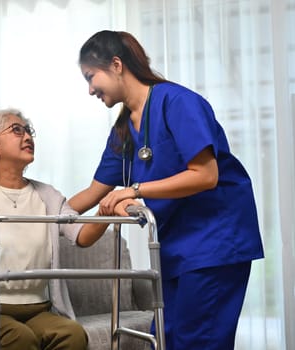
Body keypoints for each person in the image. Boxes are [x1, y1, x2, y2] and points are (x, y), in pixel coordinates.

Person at [69, 30, 264, 349]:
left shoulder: (177, 102)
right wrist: (39, 214)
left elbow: (206, 175)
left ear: (116, 65)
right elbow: (93, 192)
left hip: (213, 242)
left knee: (198, 340)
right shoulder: (123, 129)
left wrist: (134, 190)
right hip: (176, 248)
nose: (90, 89)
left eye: (92, 77)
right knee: (166, 338)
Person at [0, 108, 109, 350]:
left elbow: (82, 235)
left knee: (72, 334)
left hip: (38, 309)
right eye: (17, 130)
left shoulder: (47, 195)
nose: (28, 137)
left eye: (29, 131)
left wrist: (107, 210)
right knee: (19, 337)